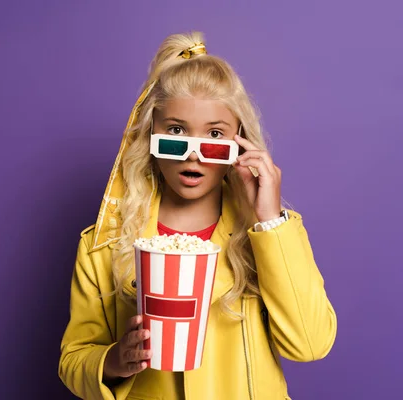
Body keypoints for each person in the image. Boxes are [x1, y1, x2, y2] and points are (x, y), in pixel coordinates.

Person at [58, 31, 337, 400]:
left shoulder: (269, 233)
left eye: (214, 135)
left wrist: (269, 219)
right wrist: (112, 360)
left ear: (238, 142)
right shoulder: (104, 243)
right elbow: (74, 359)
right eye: (175, 132)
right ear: (149, 137)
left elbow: (310, 343)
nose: (194, 155)